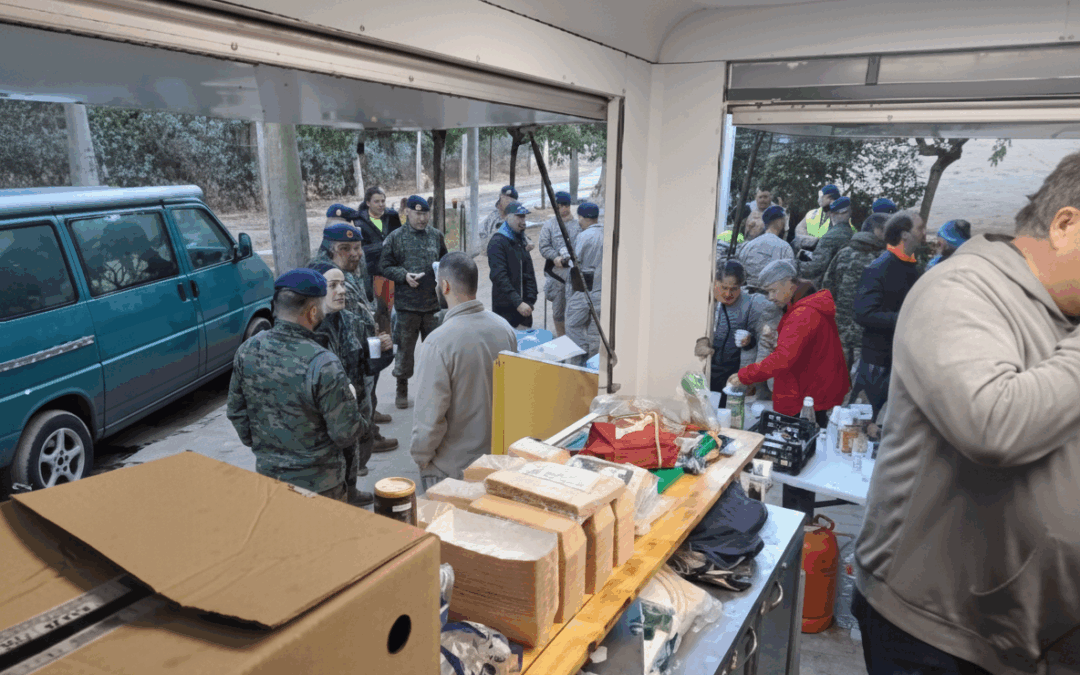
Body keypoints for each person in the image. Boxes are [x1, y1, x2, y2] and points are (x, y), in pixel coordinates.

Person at [852, 153, 1080, 675]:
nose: (926, 237)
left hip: (1032, 636)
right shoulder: (959, 289)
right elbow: (994, 425)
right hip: (941, 634)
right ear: (1066, 225)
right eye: (921, 229)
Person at [227, 269, 361, 501]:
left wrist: (265, 450)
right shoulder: (323, 362)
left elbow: (236, 413)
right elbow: (346, 434)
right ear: (312, 312)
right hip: (320, 485)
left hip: (269, 478)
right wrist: (351, 401)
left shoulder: (247, 351)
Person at [411, 253, 518, 491]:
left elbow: (429, 418)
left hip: (453, 470)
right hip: (496, 462)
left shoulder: (438, 342)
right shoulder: (505, 329)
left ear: (445, 285)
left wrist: (421, 458)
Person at [309, 222, 397, 452]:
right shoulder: (321, 274)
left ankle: (363, 452)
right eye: (346, 248)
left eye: (357, 247)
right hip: (342, 366)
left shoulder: (346, 270)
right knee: (348, 427)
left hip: (361, 354)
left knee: (363, 413)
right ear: (330, 249)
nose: (355, 254)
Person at [727, 259, 849, 425]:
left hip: (808, 395)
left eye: (773, 291)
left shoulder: (802, 314)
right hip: (813, 389)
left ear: (790, 283)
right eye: (767, 292)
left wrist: (746, 375)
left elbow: (783, 359)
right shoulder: (804, 307)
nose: (770, 297)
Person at [307, 261, 375, 506]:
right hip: (324, 413)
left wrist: (380, 354)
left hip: (352, 405)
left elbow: (364, 364)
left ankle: (352, 492)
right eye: (332, 285)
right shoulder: (309, 329)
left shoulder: (351, 320)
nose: (341, 291)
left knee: (352, 453)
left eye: (343, 284)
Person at [849, 210, 925, 420]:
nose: (925, 233)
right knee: (862, 423)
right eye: (920, 228)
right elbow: (863, 313)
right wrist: (906, 318)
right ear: (904, 235)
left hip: (902, 359)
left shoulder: (913, 268)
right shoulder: (878, 268)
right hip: (877, 363)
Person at [380, 195, 448, 409]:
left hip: (432, 306)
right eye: (418, 213)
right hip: (407, 306)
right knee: (405, 352)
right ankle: (402, 389)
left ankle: (434, 391)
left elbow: (445, 262)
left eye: (425, 213)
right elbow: (384, 266)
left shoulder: (436, 236)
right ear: (407, 212)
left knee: (435, 353)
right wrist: (403, 276)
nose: (422, 218)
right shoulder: (395, 238)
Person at [696, 259, 773, 405]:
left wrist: (749, 341)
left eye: (734, 289)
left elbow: (761, 342)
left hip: (732, 372)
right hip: (706, 368)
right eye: (724, 287)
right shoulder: (704, 300)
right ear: (714, 282)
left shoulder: (749, 305)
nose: (728, 293)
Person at [822, 212, 889, 370]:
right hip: (868, 340)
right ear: (877, 231)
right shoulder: (884, 259)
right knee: (862, 388)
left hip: (839, 334)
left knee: (836, 383)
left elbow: (826, 289)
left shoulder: (844, 253)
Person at [487, 200, 539, 328]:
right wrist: (518, 302)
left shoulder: (520, 239)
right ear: (507, 217)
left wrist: (530, 301)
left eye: (524, 217)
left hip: (525, 311)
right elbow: (499, 276)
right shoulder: (497, 242)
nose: (523, 221)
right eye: (519, 217)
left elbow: (529, 272)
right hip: (506, 312)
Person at [565, 202, 604, 363]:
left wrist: (565, 259)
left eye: (579, 218)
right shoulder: (608, 233)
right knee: (596, 332)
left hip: (585, 290)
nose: (578, 221)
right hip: (603, 291)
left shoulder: (585, 236)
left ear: (582, 217)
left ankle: (578, 361)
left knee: (573, 325)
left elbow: (576, 262)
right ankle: (593, 364)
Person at [538, 190, 581, 337]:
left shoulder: (578, 225)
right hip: (557, 276)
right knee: (558, 312)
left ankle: (574, 340)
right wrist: (555, 257)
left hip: (575, 275)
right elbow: (544, 246)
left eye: (566, 205)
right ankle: (562, 339)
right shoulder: (549, 225)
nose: (563, 209)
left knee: (575, 310)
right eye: (559, 206)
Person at [353, 186, 402, 304]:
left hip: (393, 271)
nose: (381, 204)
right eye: (376, 201)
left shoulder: (392, 216)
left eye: (383, 201)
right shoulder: (358, 222)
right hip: (372, 274)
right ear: (368, 203)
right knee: (380, 310)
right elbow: (360, 250)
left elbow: (400, 239)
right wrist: (383, 245)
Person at [799, 196, 856, 288]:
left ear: (832, 214)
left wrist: (797, 262)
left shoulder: (831, 237)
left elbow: (815, 267)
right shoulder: (851, 232)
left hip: (828, 288)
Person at [737, 205, 795, 289]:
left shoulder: (748, 245)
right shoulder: (785, 248)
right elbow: (790, 277)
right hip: (772, 297)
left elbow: (739, 271)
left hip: (747, 294)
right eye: (784, 220)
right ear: (779, 221)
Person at [793, 184, 840, 250]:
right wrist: (812, 241)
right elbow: (799, 229)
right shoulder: (812, 213)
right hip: (805, 253)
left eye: (822, 197)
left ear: (830, 198)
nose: (820, 199)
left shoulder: (841, 217)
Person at [478, 185, 518, 253]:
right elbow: (482, 233)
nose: (506, 202)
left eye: (510, 201)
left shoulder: (514, 219)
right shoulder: (493, 215)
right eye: (504, 199)